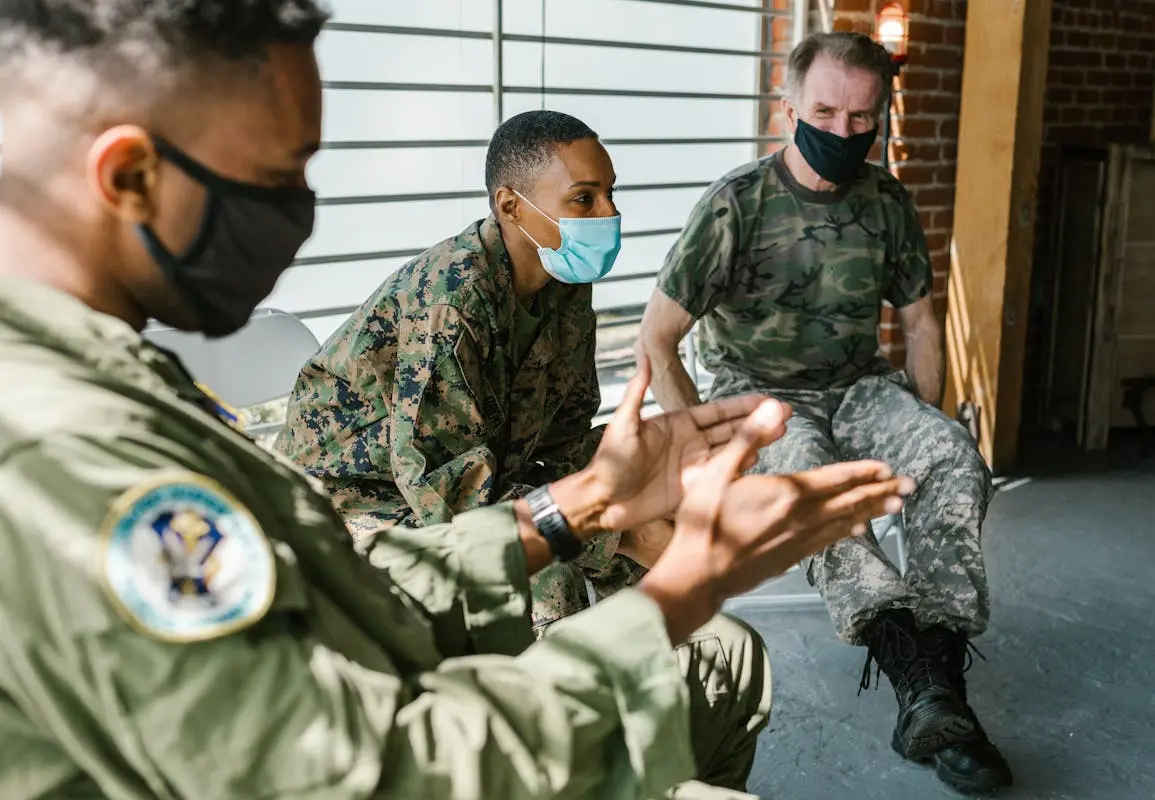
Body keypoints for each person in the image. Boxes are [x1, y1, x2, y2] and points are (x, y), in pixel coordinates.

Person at [0, 4, 914, 798]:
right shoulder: (66, 461)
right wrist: (670, 587)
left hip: (453, 527)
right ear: (127, 177)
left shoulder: (123, 380)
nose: (305, 215)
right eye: (279, 178)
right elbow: (363, 763)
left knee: (719, 655)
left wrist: (593, 498)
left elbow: (360, 574)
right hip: (391, 509)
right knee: (667, 638)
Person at [636, 31, 1012, 796]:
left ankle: (935, 682)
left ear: (882, 115)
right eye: (827, 111)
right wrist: (704, 444)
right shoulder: (735, 205)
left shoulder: (887, 202)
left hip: (858, 385)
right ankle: (926, 687)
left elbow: (920, 325)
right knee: (815, 484)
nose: (845, 131)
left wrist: (915, 432)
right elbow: (657, 337)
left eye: (862, 116)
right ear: (789, 110)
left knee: (952, 457)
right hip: (759, 391)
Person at [275, 109, 649, 636]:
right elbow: (445, 491)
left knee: (639, 470)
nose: (609, 214)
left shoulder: (562, 280)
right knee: (551, 565)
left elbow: (567, 429)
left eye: (611, 193)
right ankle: (562, 700)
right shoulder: (452, 299)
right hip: (359, 498)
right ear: (512, 207)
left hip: (479, 471)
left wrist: (625, 495)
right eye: (584, 199)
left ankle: (647, 654)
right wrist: (607, 533)